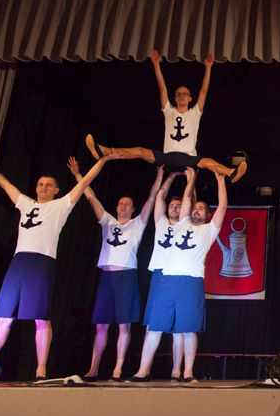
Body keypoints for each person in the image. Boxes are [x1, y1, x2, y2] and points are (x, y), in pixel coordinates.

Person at [0, 152, 116, 379]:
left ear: (56, 190)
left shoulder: (60, 206)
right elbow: (5, 184)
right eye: (40, 184)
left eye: (48, 185)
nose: (43, 188)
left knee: (41, 318)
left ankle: (41, 370)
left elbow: (85, 182)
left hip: (41, 263)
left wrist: (102, 160)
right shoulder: (25, 203)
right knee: (3, 318)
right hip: (18, 263)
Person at [66, 158, 163, 381]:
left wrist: (159, 175)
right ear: (117, 207)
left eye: (128, 204)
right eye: (121, 204)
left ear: (133, 209)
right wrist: (79, 175)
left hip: (126, 277)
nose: (123, 206)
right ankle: (93, 368)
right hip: (107, 277)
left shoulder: (138, 224)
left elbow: (151, 198)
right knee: (101, 326)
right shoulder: (107, 222)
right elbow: (90, 197)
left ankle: (118, 368)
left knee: (123, 326)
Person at [85, 50, 246, 183]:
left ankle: (231, 173)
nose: (181, 96)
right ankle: (104, 151)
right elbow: (162, 88)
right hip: (167, 157)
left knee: (207, 162)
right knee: (140, 151)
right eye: (178, 94)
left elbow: (204, 91)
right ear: (174, 98)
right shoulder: (169, 111)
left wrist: (208, 67)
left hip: (188, 158)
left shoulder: (195, 113)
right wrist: (156, 65)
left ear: (190, 98)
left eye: (185, 94)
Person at [128, 167, 227, 383]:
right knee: (155, 327)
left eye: (201, 209)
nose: (197, 210)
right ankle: (142, 371)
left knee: (188, 329)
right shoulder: (181, 222)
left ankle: (187, 372)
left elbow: (222, 207)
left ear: (207, 215)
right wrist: (191, 179)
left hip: (191, 282)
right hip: (167, 280)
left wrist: (220, 181)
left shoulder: (209, 230)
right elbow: (186, 199)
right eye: (195, 208)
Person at [143, 171, 186, 381]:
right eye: (172, 206)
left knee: (179, 327)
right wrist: (168, 177)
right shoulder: (160, 223)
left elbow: (189, 200)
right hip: (159, 274)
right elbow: (160, 197)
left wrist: (190, 179)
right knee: (153, 325)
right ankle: (144, 369)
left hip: (178, 274)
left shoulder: (187, 225)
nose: (175, 208)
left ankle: (176, 371)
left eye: (179, 206)